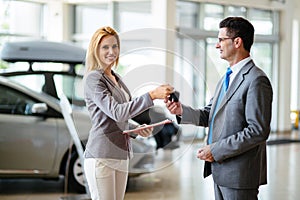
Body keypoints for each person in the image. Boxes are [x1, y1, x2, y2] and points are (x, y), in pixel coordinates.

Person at [165, 17, 273, 200]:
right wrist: (181, 110)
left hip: (240, 176)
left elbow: (257, 131)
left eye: (221, 39)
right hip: (221, 173)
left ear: (237, 42)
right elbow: (210, 114)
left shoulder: (256, 80)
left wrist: (215, 150)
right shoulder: (227, 78)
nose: (217, 45)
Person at [83, 26, 173, 200]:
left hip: (121, 153)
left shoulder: (116, 77)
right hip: (102, 155)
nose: (111, 51)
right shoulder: (93, 78)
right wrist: (152, 95)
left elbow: (118, 118)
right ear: (96, 50)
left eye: (115, 46)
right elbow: (116, 112)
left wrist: (134, 129)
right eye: (105, 47)